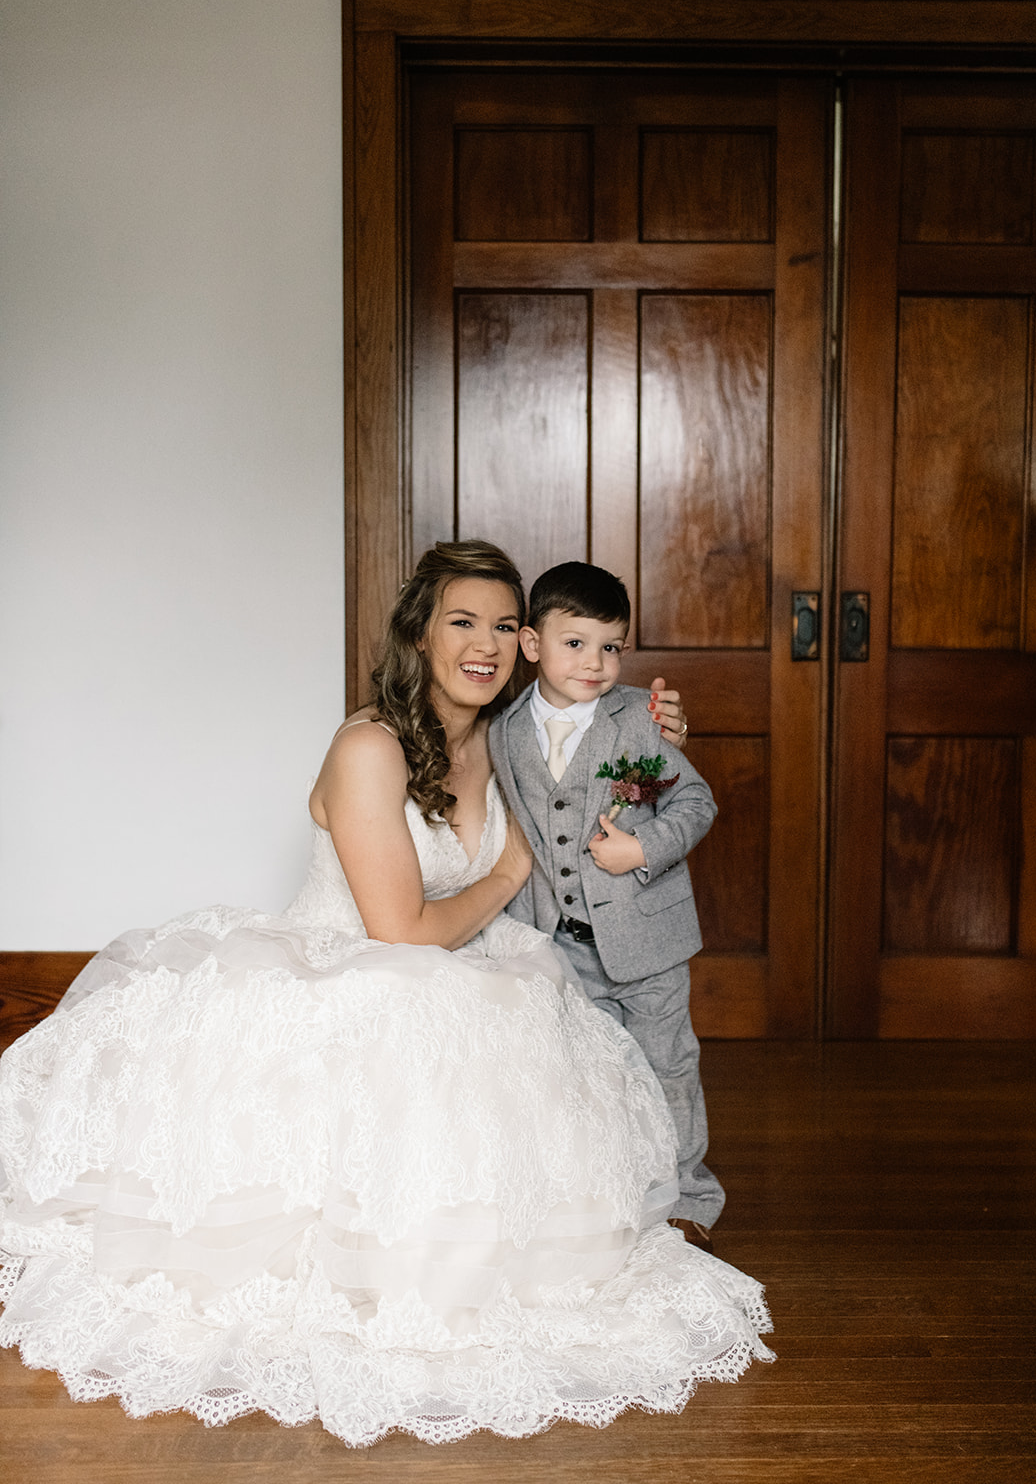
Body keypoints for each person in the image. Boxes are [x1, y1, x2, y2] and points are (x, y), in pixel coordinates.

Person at [0, 541, 771, 1448]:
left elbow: (600, 747)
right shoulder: (368, 745)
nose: (483, 644)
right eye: (460, 622)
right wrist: (511, 868)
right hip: (352, 980)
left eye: (500, 626)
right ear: (418, 632)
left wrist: (649, 727)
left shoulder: (508, 735)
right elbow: (399, 931)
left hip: (475, 977)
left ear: (527, 642)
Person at [490, 562, 725, 1251]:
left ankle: (689, 1196)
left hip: (646, 939)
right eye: (575, 643)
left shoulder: (636, 723)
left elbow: (694, 800)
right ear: (531, 645)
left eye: (611, 647)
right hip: (557, 944)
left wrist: (642, 848)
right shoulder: (502, 733)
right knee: (590, 1072)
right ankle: (611, 1188)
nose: (594, 663)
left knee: (668, 1064)